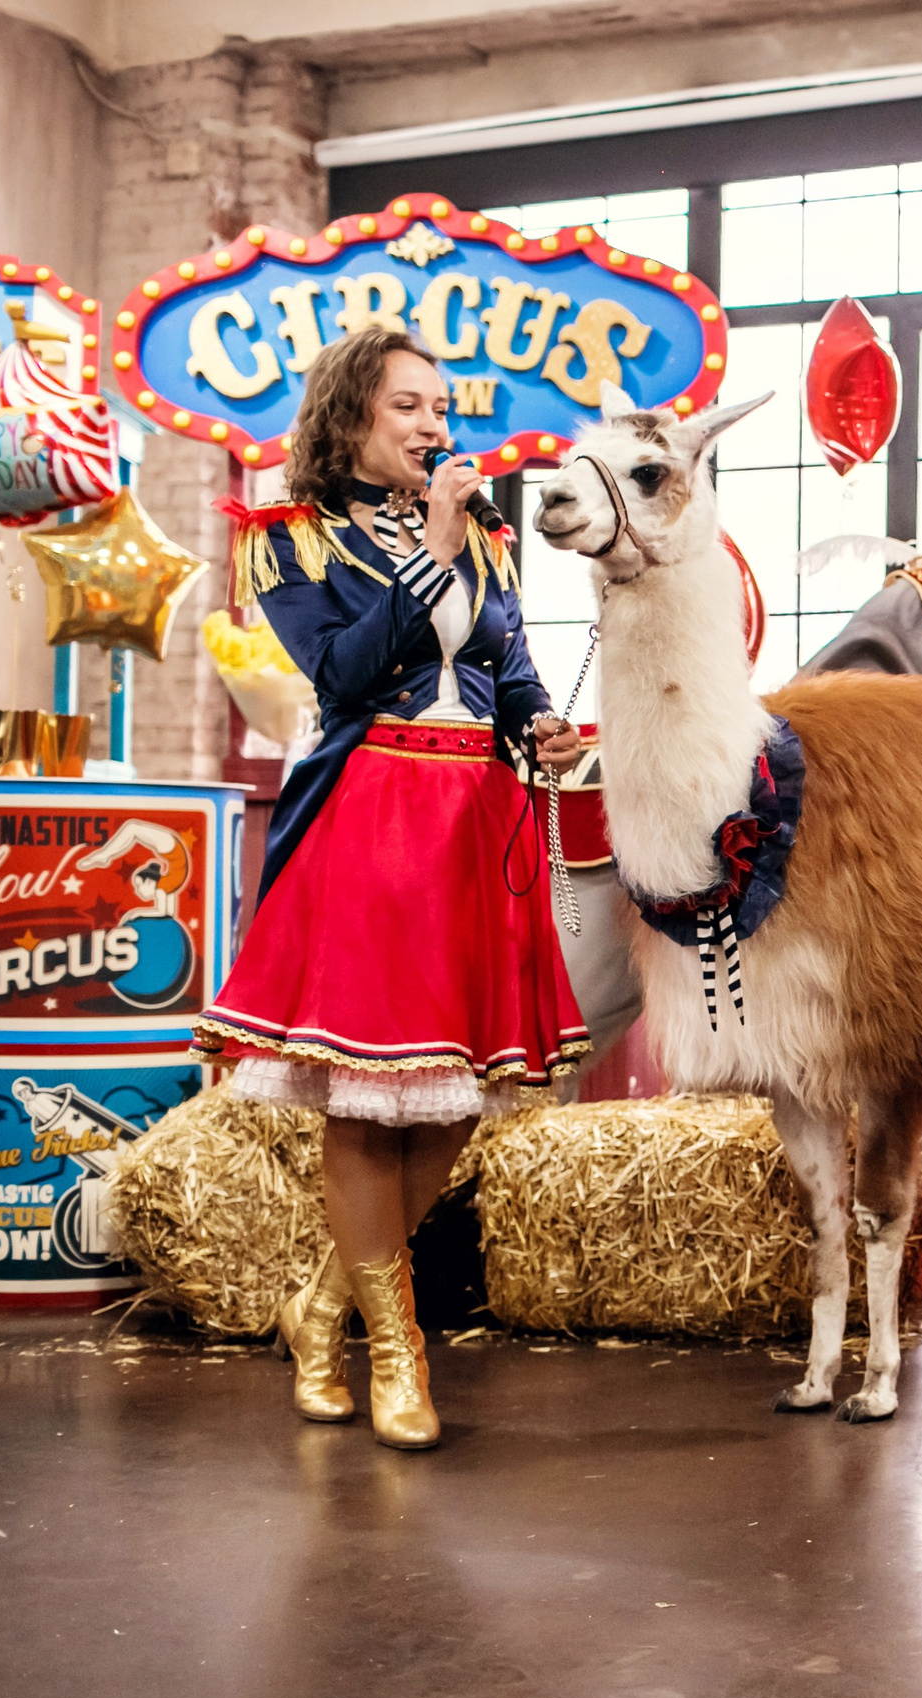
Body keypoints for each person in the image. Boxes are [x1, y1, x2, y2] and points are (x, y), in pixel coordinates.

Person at [191, 327, 590, 1450]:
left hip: (477, 822)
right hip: (370, 821)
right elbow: (344, 672)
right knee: (366, 1104)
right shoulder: (284, 539)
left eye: (441, 406)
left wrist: (540, 724)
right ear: (351, 416)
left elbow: (505, 670)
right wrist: (438, 547)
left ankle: (320, 1305)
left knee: (453, 1104)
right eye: (408, 405)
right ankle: (398, 1353)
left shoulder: (492, 542)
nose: (432, 426)